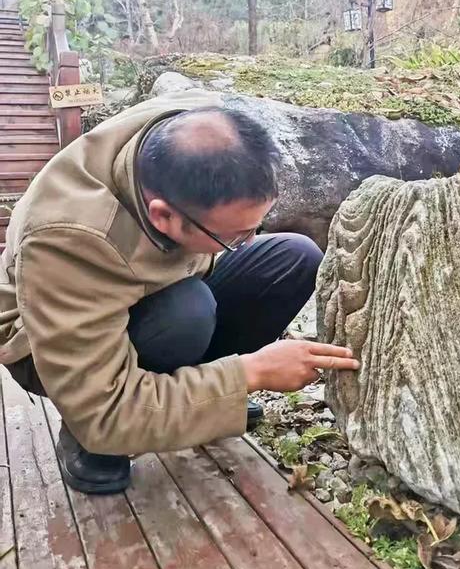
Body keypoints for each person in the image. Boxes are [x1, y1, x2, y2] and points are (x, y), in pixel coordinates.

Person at [0, 91, 359, 495]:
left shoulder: (196, 126)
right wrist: (249, 374)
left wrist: (221, 390)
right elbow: (105, 414)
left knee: (292, 257)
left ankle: (189, 402)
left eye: (254, 225)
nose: (248, 240)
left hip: (166, 279)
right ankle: (89, 441)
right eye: (232, 236)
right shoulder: (68, 239)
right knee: (186, 313)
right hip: (52, 342)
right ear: (163, 216)